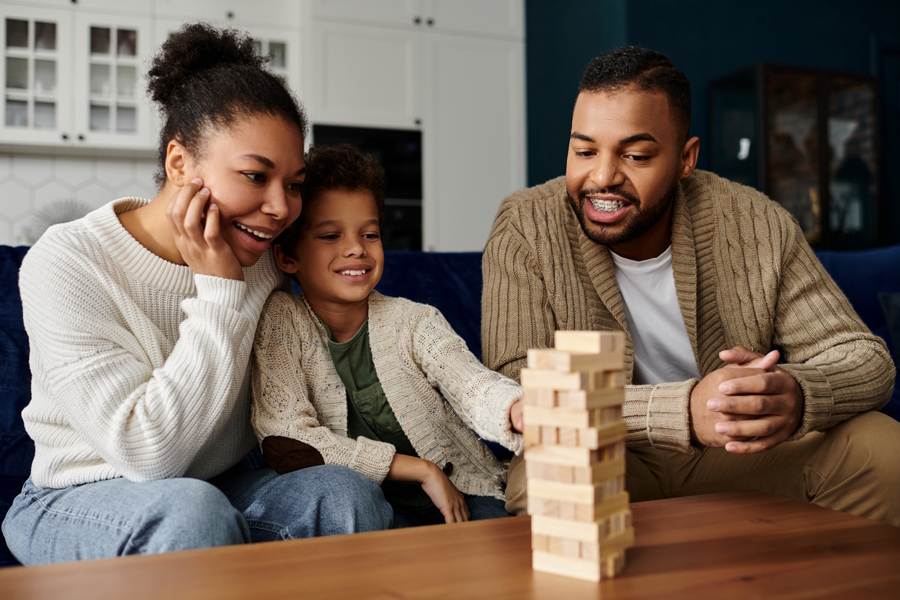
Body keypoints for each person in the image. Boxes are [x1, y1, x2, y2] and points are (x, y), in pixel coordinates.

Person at [2, 24, 391, 565]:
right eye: (255, 176)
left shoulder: (265, 255)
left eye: (295, 183)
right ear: (179, 163)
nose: (281, 208)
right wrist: (219, 289)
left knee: (345, 495)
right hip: (75, 499)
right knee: (190, 512)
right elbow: (146, 454)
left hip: (218, 488)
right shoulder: (68, 262)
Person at [481, 46, 900, 524]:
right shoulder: (525, 224)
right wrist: (683, 410)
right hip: (612, 451)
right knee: (552, 468)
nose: (602, 177)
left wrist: (798, 393)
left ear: (685, 159)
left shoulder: (755, 220)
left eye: (635, 155)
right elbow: (512, 389)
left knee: (881, 450)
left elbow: (864, 358)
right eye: (585, 150)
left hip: (736, 453)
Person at [251, 144, 523, 527]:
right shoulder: (282, 322)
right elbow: (288, 439)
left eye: (370, 233)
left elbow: (471, 384)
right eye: (330, 235)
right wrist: (421, 470)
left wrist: (514, 407)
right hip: (369, 505)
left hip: (463, 488)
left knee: (494, 544)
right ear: (288, 257)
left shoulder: (413, 321)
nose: (355, 249)